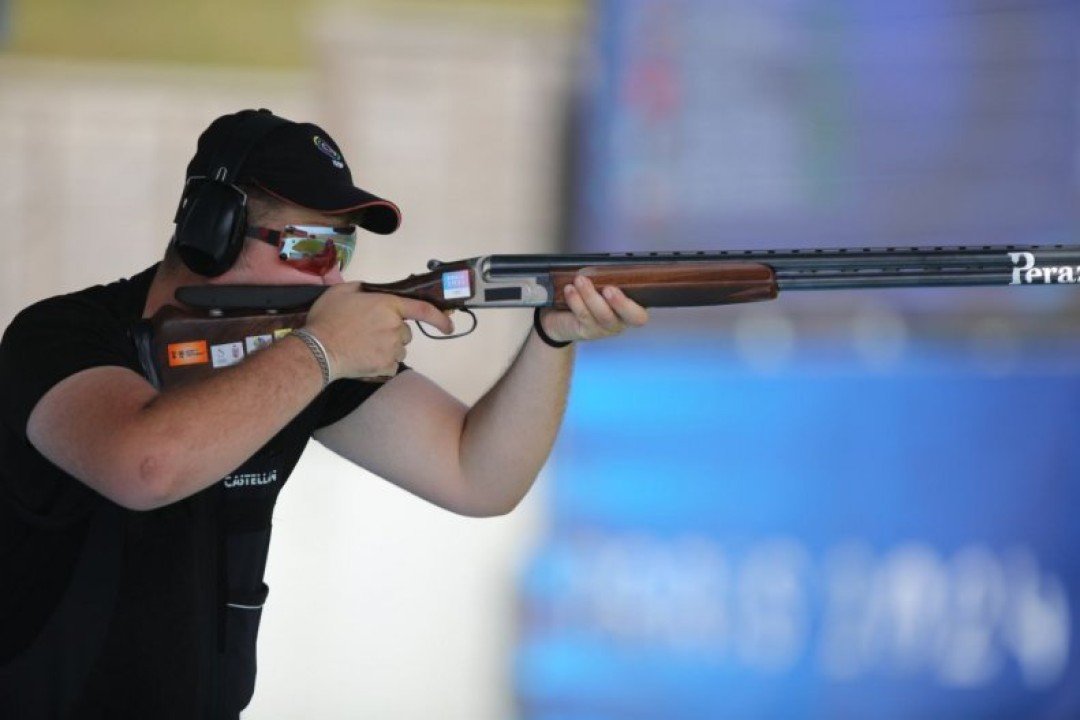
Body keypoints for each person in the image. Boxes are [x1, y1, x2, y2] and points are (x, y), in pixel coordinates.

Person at [0, 108, 648, 719]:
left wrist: (552, 337)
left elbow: (478, 476)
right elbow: (146, 466)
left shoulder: (293, 353)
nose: (332, 279)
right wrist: (325, 350)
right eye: (312, 248)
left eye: (344, 251)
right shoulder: (60, 336)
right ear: (213, 230)